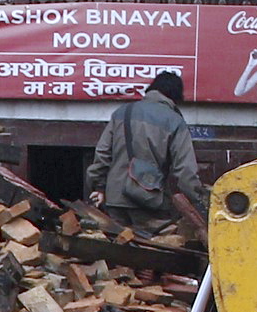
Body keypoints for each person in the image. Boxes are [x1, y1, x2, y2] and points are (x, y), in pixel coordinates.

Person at [87, 69, 208, 233]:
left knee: (116, 249)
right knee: (150, 252)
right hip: (147, 200)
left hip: (115, 200)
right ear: (175, 95)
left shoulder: (122, 112)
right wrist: (198, 202)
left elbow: (102, 154)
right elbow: (185, 170)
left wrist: (99, 187)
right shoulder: (174, 121)